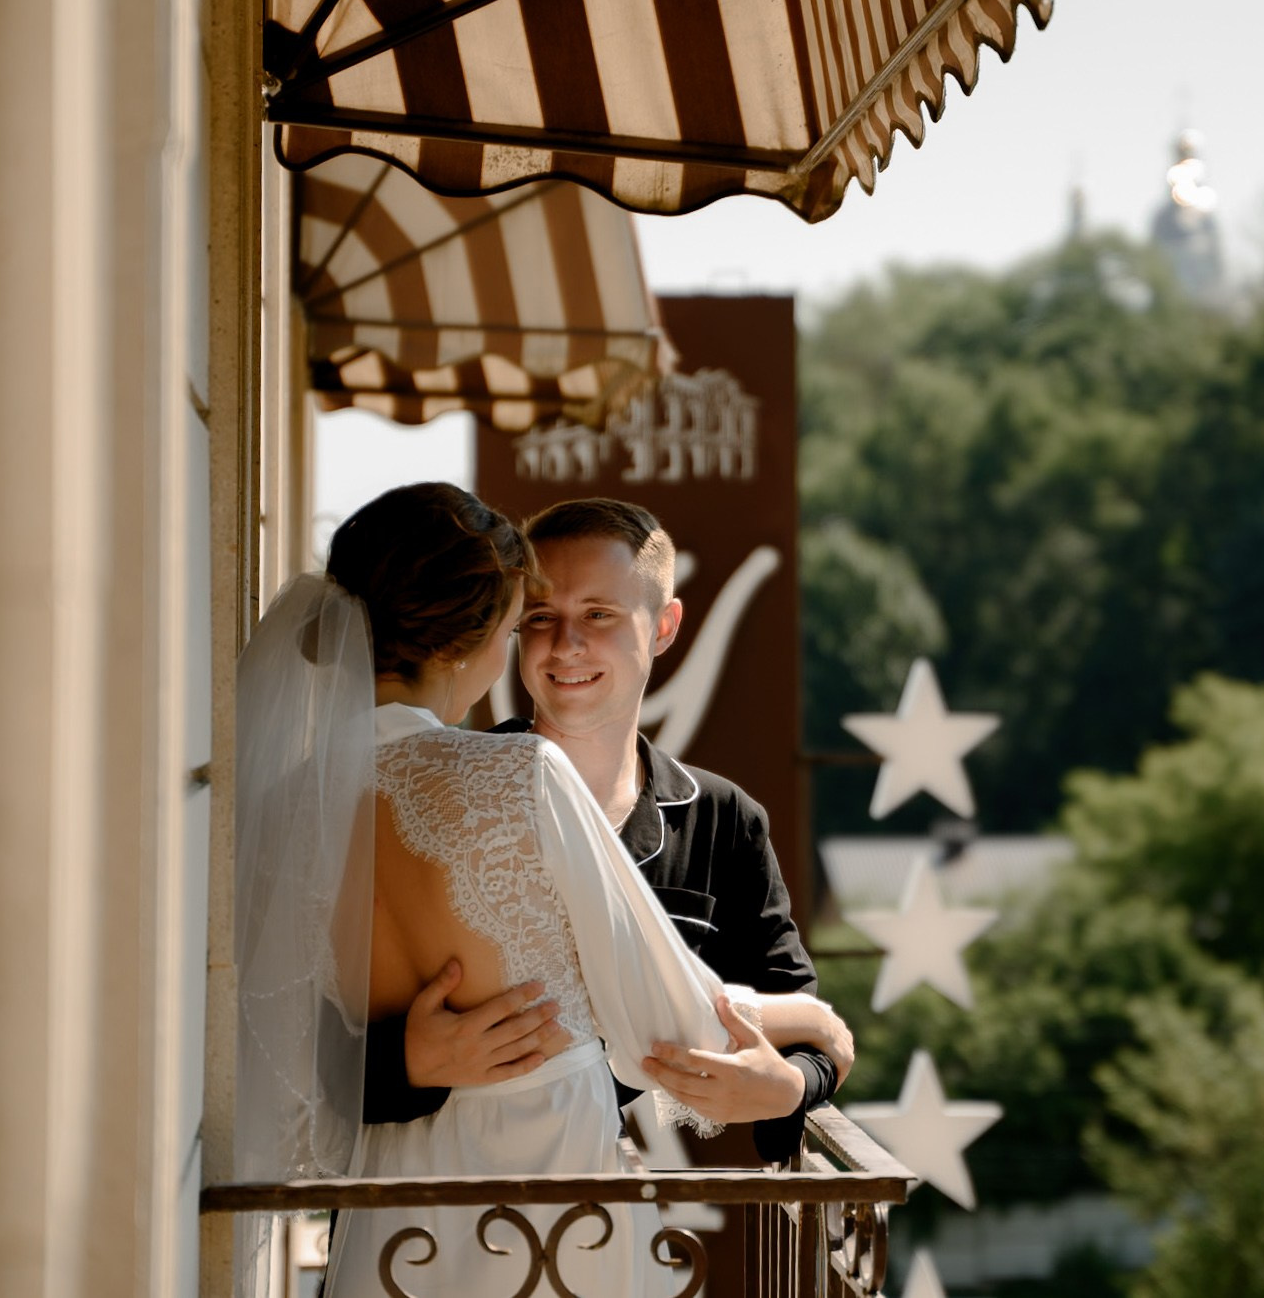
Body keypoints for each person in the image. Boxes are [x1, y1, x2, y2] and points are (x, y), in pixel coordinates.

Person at [231, 484, 838, 1298]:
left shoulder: (287, 802)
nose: (552, 644)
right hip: (550, 1219)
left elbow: (261, 1040)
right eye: (528, 619)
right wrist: (816, 1021)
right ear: (478, 639)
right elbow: (673, 1019)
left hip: (388, 1225)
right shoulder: (517, 774)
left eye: (596, 616)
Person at [359, 497, 852, 1163]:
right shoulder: (441, 794)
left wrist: (794, 1084)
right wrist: (402, 1065)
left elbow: (792, 1011)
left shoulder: (724, 817)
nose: (566, 644)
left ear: (663, 625)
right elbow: (310, 1032)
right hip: (446, 1205)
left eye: (598, 614)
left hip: (686, 1228)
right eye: (539, 617)